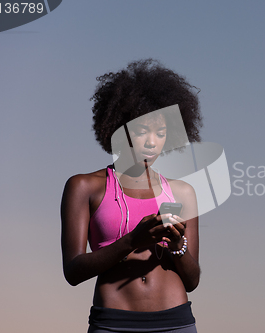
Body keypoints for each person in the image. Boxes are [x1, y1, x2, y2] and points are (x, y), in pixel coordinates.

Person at [61, 59, 203, 333]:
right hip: (112, 323)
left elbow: (192, 280)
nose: (152, 141)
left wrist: (177, 245)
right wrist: (132, 241)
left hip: (176, 322)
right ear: (119, 128)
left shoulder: (183, 192)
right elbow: (73, 271)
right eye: (142, 131)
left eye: (161, 133)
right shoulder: (84, 187)